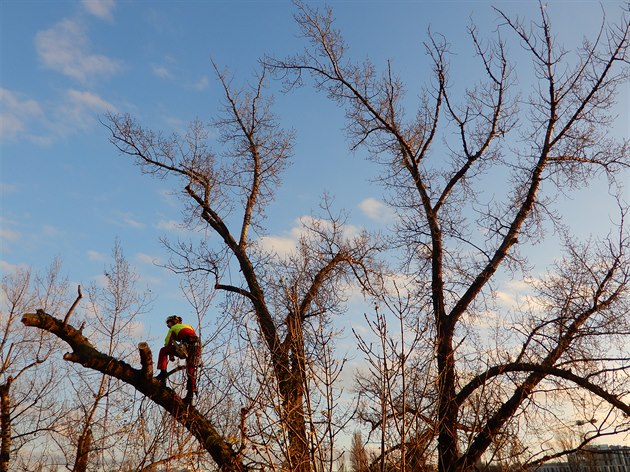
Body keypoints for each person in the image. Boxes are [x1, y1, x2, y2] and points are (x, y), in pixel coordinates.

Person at [156, 315, 200, 401]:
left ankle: (162, 373)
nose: (168, 326)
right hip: (196, 347)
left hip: (187, 345)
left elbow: (167, 342)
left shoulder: (174, 328)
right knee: (191, 370)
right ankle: (190, 395)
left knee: (163, 350)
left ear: (172, 322)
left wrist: (170, 354)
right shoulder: (189, 326)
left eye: (168, 323)